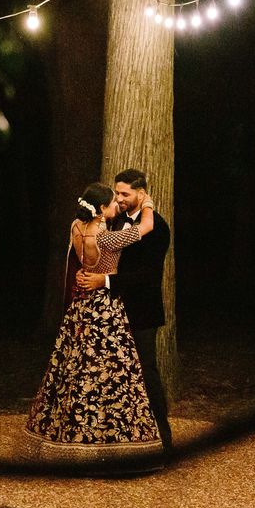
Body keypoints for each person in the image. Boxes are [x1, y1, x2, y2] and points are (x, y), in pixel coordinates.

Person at [22, 182, 162, 464]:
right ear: (101, 209)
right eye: (112, 202)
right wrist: (147, 204)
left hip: (80, 306)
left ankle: (66, 433)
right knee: (111, 368)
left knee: (75, 366)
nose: (117, 206)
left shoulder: (75, 226)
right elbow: (146, 227)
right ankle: (106, 439)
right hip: (105, 308)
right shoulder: (108, 239)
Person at [76, 169, 172, 452]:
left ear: (141, 194)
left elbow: (147, 276)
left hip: (141, 312)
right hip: (108, 314)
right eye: (116, 193)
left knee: (146, 371)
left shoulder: (159, 228)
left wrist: (102, 281)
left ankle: (163, 442)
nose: (119, 198)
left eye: (125, 194)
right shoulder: (111, 221)